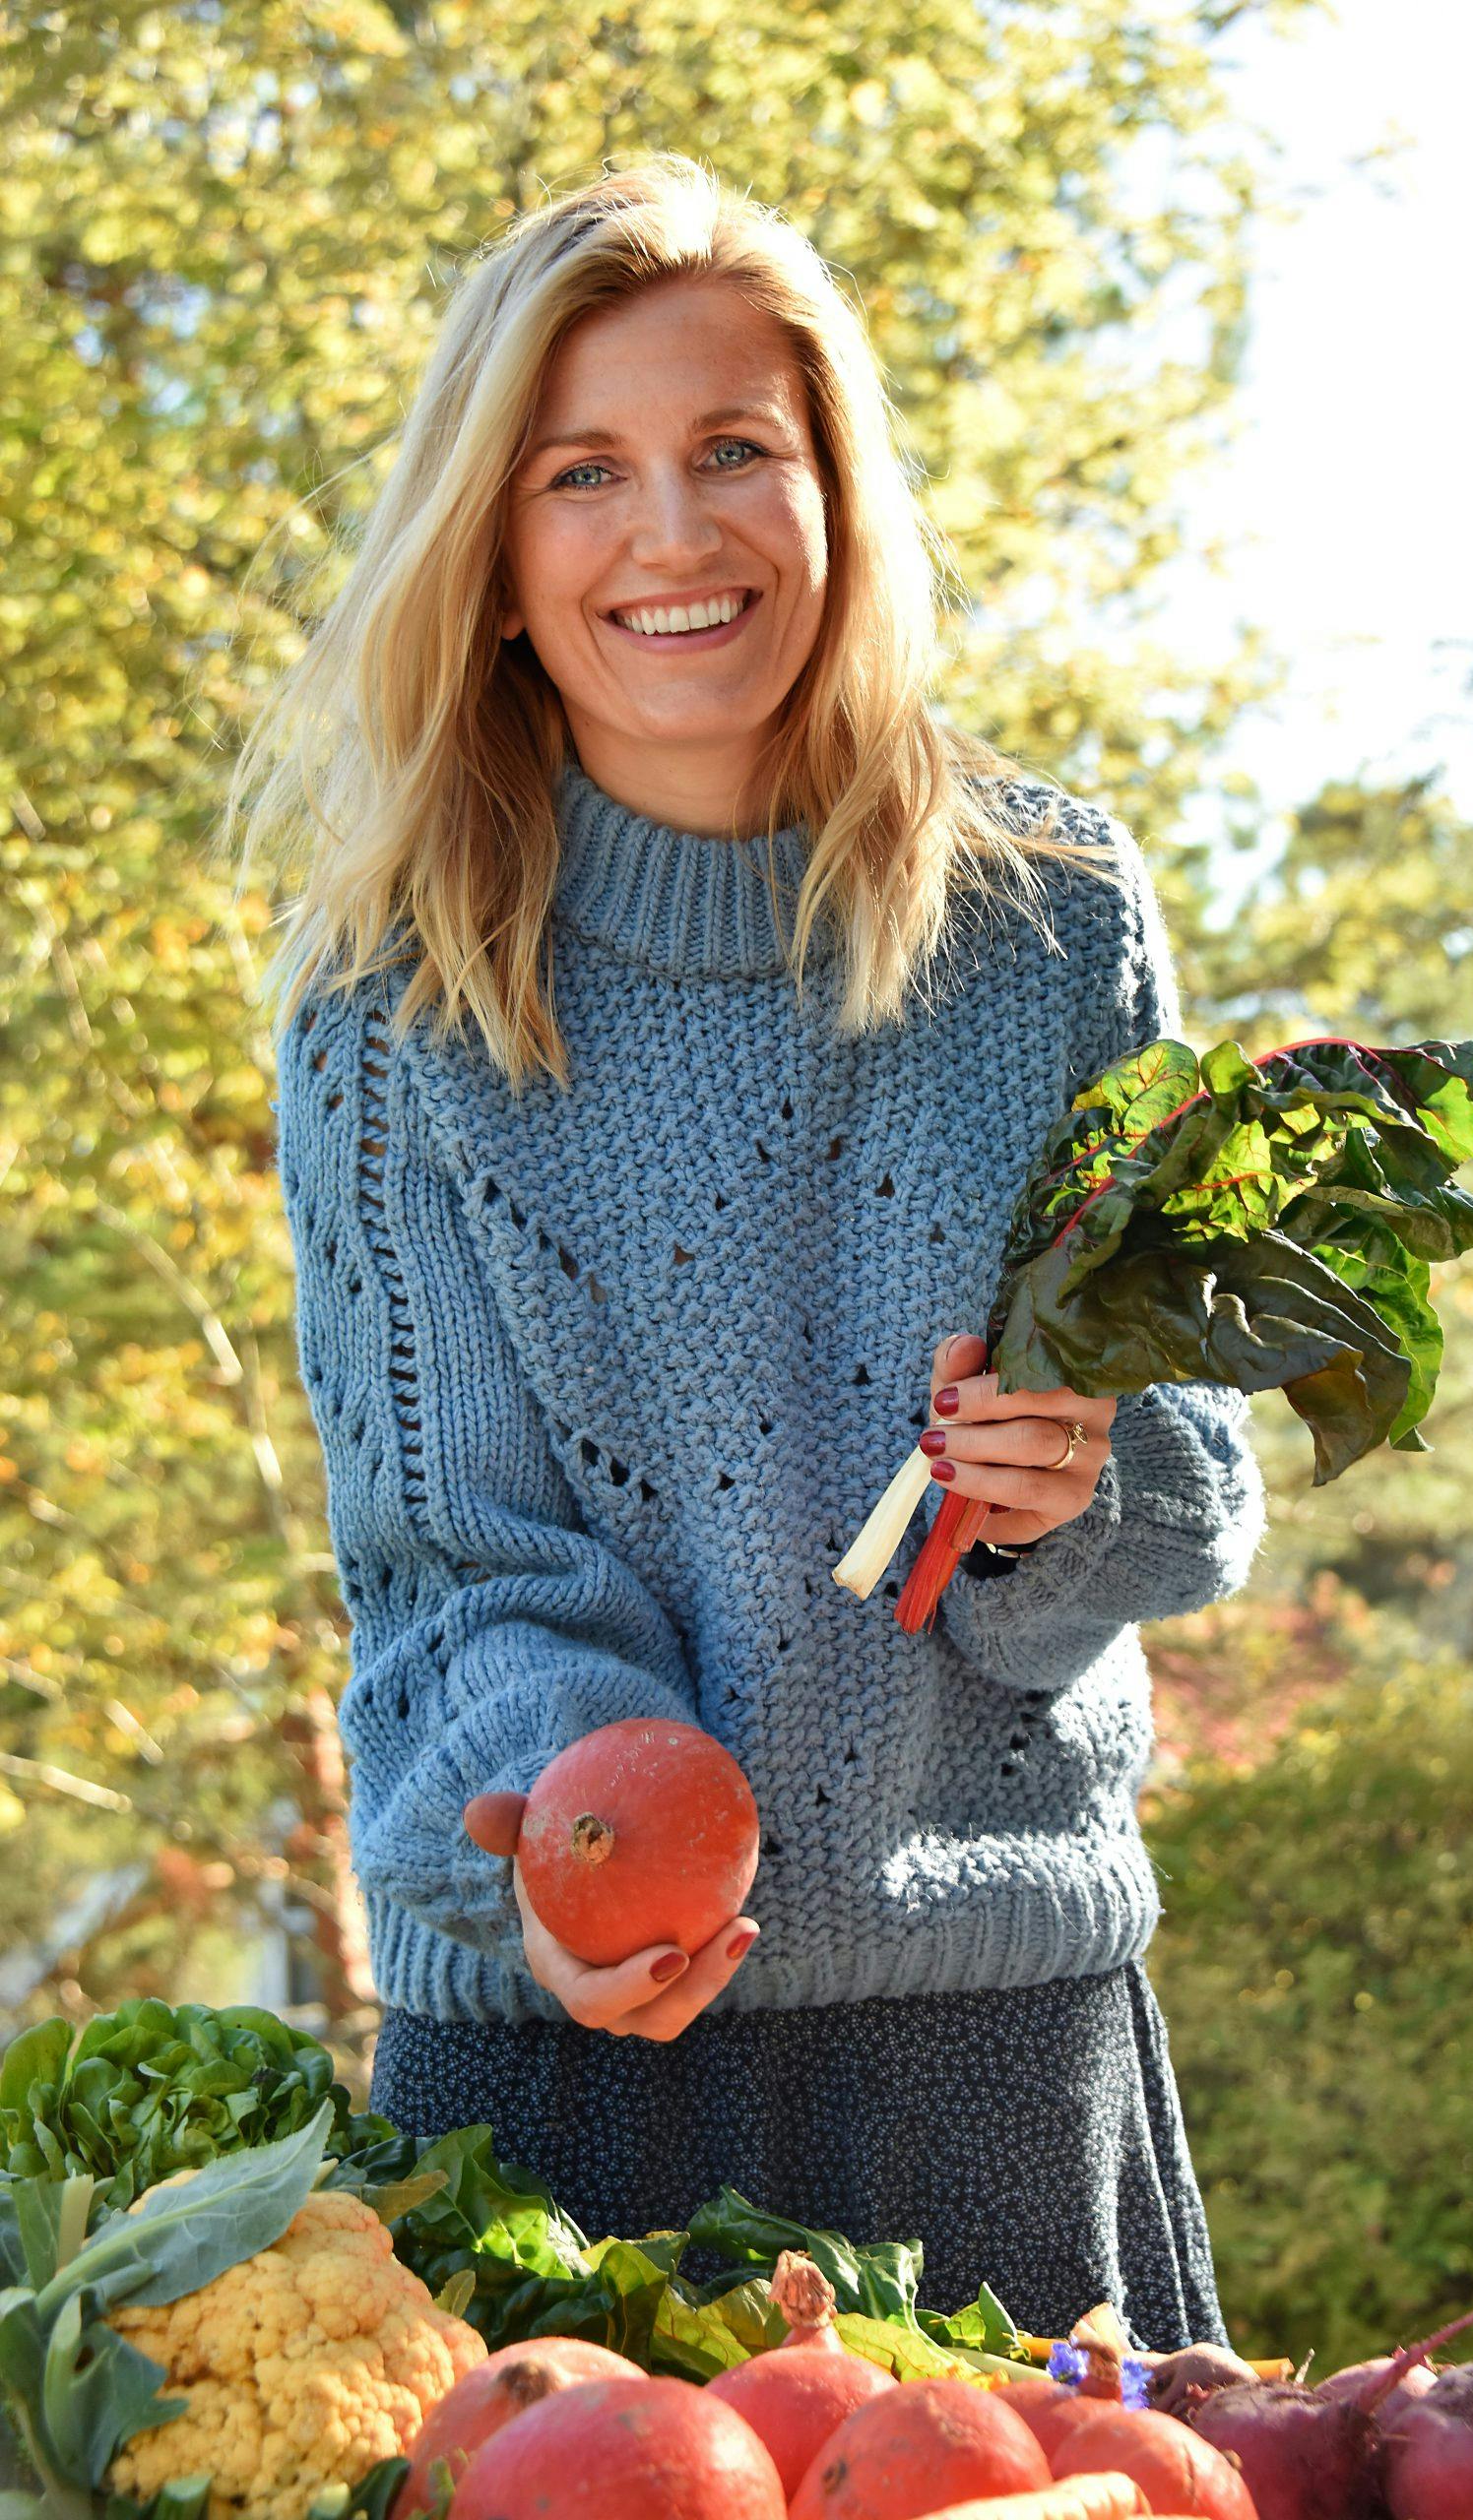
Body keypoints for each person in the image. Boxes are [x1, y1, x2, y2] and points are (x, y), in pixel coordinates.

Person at [247, 153, 1268, 2344]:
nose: (675, 531)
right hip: (567, 2066)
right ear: (499, 559)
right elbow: (462, 1568)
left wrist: (1075, 1492)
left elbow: (1191, 1479)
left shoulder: (1054, 921)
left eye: (738, 453)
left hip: (997, 2041)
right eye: (583, 472)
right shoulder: (390, 1008)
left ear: (836, 499)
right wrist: (561, 1859)